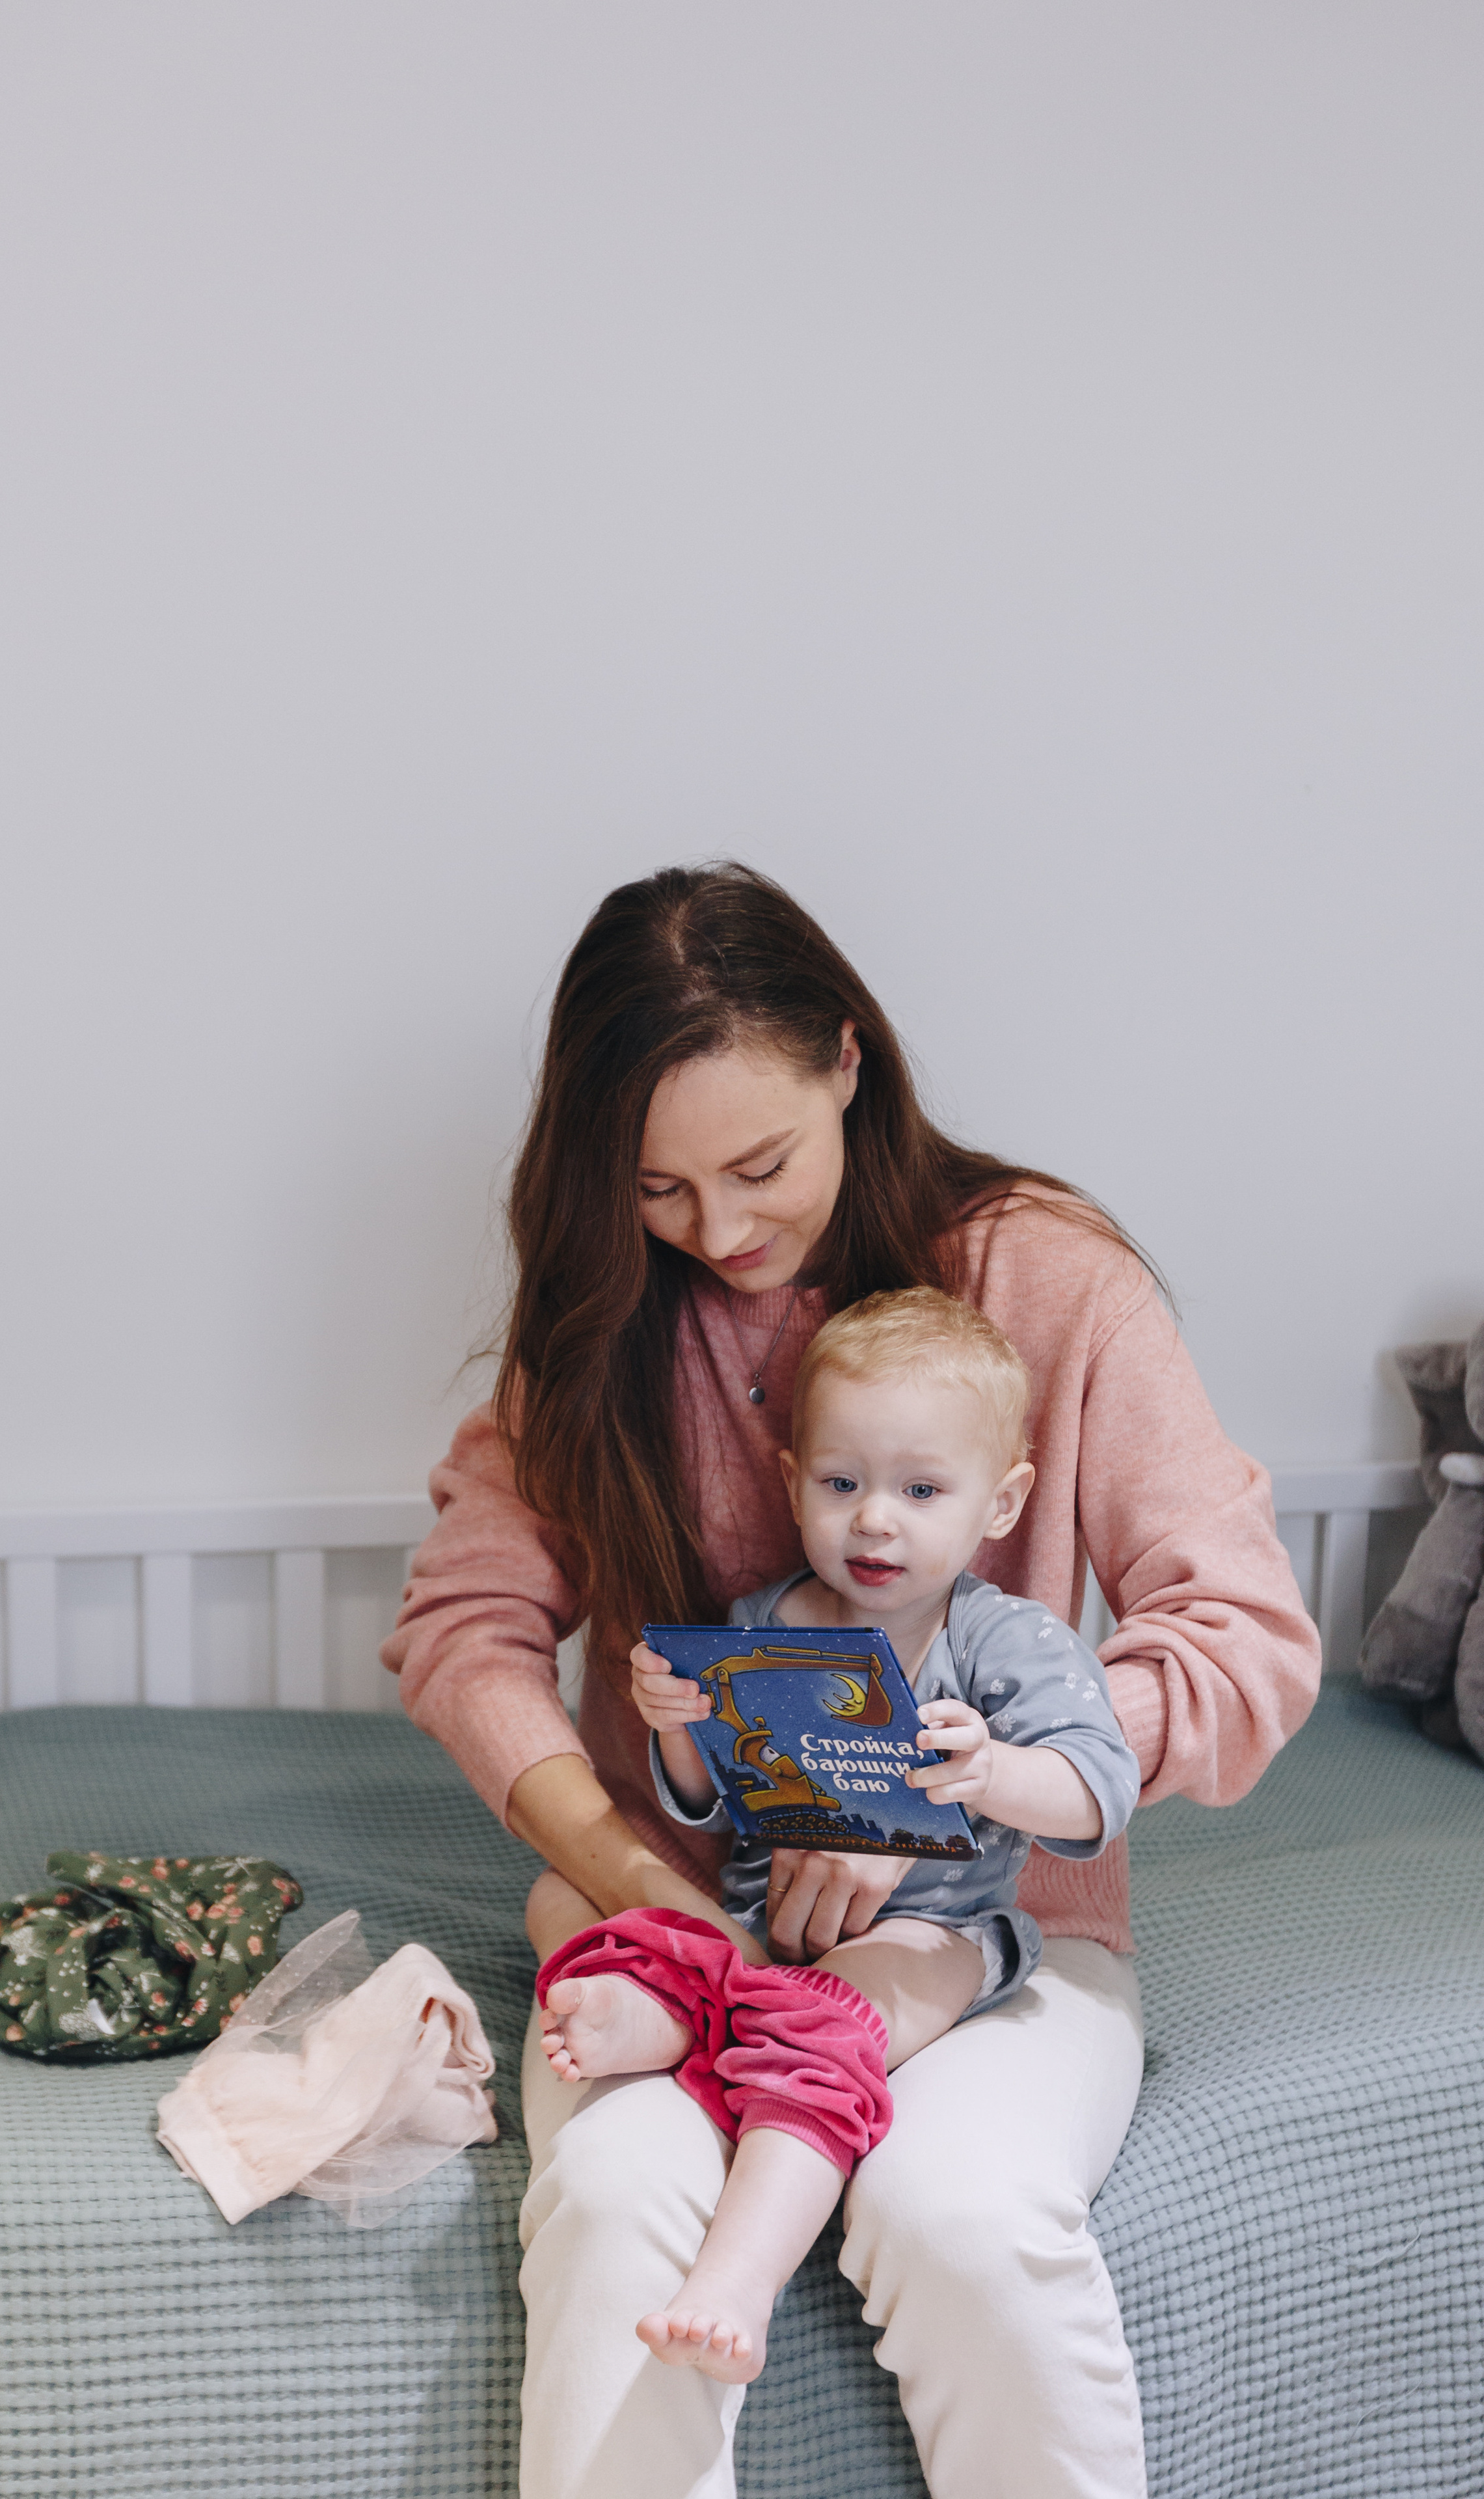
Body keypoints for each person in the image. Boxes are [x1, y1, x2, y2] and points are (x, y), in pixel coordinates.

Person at [383, 862, 1321, 2499]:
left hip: (983, 1928)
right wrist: (628, 1878)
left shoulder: (1047, 1282)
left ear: (845, 1061)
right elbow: (468, 1630)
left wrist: (938, 1800)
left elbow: (1240, 1642)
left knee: (959, 2216)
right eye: (659, 1190)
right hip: (680, 1919)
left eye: (758, 1167)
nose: (722, 1233)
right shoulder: (606, 1320)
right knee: (610, 2215)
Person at [530, 1285, 1143, 2387]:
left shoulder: (1004, 1639)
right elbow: (712, 1807)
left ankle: (736, 2272)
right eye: (841, 1483)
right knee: (557, 1897)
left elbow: (1099, 1793)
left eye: (921, 1489)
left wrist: (993, 1773)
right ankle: (712, 1998)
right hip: (771, 1923)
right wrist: (675, 1732)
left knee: (831, 2019)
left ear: (1000, 1505)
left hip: (933, 1935)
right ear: (791, 1481)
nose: (875, 1519)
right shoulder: (763, 1624)